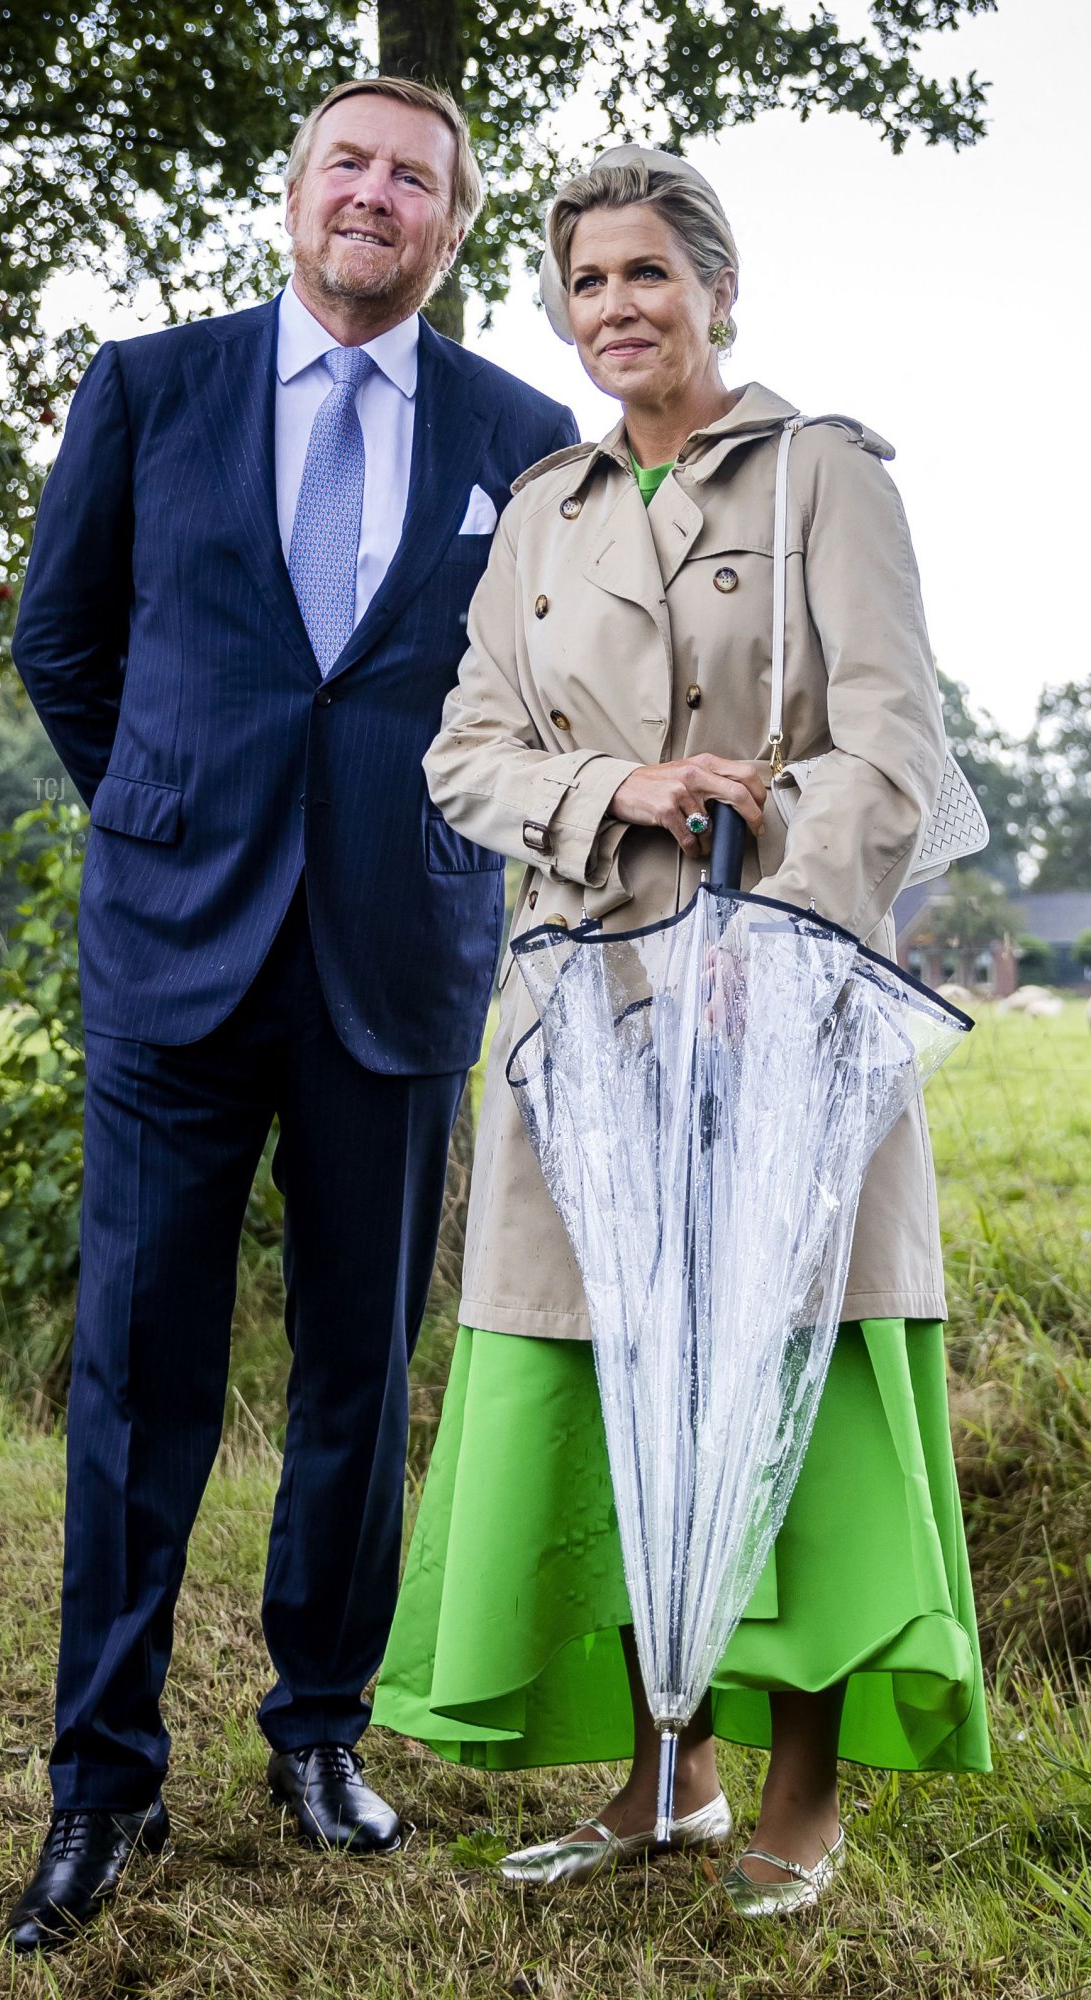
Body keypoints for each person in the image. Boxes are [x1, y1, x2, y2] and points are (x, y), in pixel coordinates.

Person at [372, 144, 990, 1915]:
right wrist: (619, 786)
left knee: (785, 1379)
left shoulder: (825, 476)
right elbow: (464, 752)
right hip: (586, 1013)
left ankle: (803, 1793)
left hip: (785, 1013)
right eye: (585, 284)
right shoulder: (543, 508)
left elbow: (894, 747)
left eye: (649, 275)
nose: (616, 309)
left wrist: (779, 935)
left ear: (719, 290)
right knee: (616, 1381)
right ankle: (667, 1779)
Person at [5, 77, 577, 1953]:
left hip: (394, 969)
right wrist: (164, 808)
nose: (378, 195)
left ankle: (317, 1732)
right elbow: (60, 640)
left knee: (356, 1377)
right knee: (138, 1382)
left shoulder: (523, 434)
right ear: (293, 193)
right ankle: (103, 1782)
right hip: (178, 954)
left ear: (449, 228)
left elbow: (544, 702)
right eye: (350, 161)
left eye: (417, 177)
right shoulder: (148, 388)